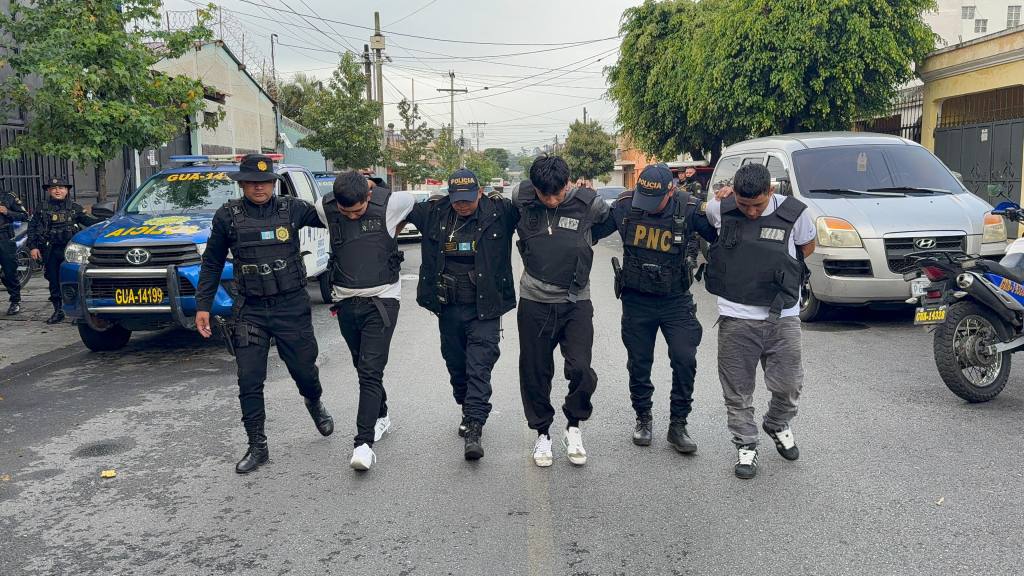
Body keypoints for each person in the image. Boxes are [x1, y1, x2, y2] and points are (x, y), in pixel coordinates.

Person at [195, 154, 333, 475]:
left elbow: (332, 217)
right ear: (242, 184)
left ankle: (313, 401)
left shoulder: (293, 209)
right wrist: (203, 305)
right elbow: (212, 263)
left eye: (265, 181)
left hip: (291, 307)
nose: (259, 187)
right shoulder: (227, 216)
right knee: (249, 379)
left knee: (305, 372)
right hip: (250, 309)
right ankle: (257, 445)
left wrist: (355, 196)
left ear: (273, 182)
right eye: (252, 182)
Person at [591, 163, 717, 452]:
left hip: (675, 300)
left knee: (685, 359)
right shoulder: (626, 206)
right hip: (637, 300)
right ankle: (643, 418)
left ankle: (678, 425)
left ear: (670, 191)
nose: (647, 207)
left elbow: (721, 236)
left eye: (655, 201)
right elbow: (592, 232)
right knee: (639, 363)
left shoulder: (688, 208)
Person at [704, 163, 815, 479]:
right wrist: (721, 196)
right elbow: (705, 212)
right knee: (737, 391)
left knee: (789, 384)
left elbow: (806, 247)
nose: (751, 212)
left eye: (758, 204)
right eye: (743, 204)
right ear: (734, 194)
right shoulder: (722, 208)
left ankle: (777, 422)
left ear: (771, 191)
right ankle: (746, 445)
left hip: (783, 316)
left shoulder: (796, 213)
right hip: (736, 317)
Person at [404, 168, 519, 460]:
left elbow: (531, 196)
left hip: (485, 308)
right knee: (457, 367)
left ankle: (475, 426)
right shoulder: (434, 213)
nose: (463, 204)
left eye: (469, 199)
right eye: (457, 199)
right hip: (449, 308)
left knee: (479, 366)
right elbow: (390, 203)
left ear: (480, 192)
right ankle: (467, 407)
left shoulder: (500, 212)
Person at [513, 155, 611, 468]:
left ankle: (573, 427)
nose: (553, 200)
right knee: (535, 370)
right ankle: (542, 432)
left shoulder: (590, 204)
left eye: (558, 193)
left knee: (581, 368)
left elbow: (613, 220)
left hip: (575, 301)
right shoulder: (521, 197)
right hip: (534, 301)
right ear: (535, 189)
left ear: (568, 183)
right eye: (546, 195)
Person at [316, 171, 415, 471]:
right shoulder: (325, 208)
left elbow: (410, 199)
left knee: (370, 371)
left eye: (358, 210)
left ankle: (363, 444)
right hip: (345, 301)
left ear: (368, 196)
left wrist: (374, 184)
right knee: (362, 365)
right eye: (346, 212)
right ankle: (381, 415)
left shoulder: (392, 203)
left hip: (382, 299)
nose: (352, 216)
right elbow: (324, 210)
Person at [27, 177, 102, 324]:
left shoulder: (74, 208)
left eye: (61, 188)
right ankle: (58, 311)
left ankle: (78, 313)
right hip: (50, 250)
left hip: (71, 252)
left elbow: (91, 223)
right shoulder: (42, 208)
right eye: (54, 188)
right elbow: (32, 228)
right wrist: (33, 246)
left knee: (75, 280)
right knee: (53, 281)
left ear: (67, 190)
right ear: (49, 191)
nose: (57, 191)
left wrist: (109, 220)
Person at [0, 187, 28, 316]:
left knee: (9, 272)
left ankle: (15, 301)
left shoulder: (9, 196)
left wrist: (7, 212)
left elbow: (24, 215)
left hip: (3, 237)